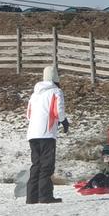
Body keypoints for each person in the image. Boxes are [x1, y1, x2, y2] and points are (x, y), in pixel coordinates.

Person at [25, 65, 68, 205]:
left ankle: (31, 197)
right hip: (47, 133)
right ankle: (45, 196)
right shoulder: (56, 91)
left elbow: (28, 115)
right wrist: (64, 121)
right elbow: (58, 110)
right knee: (47, 166)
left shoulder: (34, 94)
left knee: (36, 165)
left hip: (32, 134)